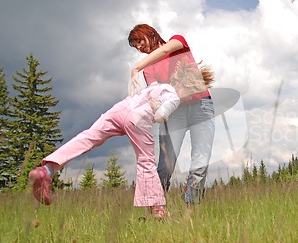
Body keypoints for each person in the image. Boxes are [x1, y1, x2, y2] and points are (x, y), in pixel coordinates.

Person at [29, 61, 213, 218]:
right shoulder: (173, 97)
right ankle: (158, 209)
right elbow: (159, 117)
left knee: (89, 137)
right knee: (146, 160)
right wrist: (161, 113)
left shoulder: (156, 86)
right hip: (138, 119)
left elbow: (139, 92)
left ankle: (48, 169)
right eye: (191, 93)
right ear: (185, 86)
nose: (189, 98)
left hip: (119, 109)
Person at [128, 24, 215, 204]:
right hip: (175, 114)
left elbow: (165, 49)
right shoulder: (148, 70)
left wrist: (135, 68)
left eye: (139, 41)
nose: (138, 47)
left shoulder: (177, 42)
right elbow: (155, 93)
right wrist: (154, 104)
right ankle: (156, 207)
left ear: (150, 34)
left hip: (201, 106)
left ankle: (192, 205)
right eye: (134, 45)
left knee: (200, 162)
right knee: (165, 166)